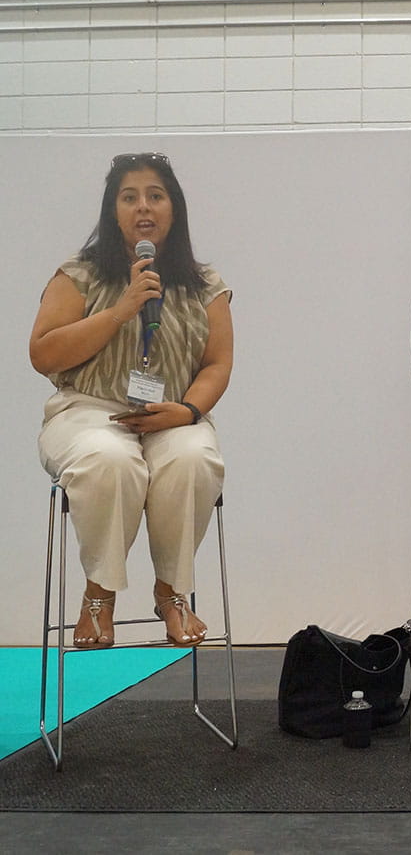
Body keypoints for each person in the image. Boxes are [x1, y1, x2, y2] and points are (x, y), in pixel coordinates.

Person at [30, 152, 233, 649]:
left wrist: (187, 411)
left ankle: (171, 591)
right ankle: (99, 595)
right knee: (110, 459)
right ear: (113, 210)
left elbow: (216, 364)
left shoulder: (205, 284)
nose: (143, 207)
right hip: (88, 410)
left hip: (173, 414)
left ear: (174, 208)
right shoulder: (78, 274)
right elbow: (43, 353)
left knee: (194, 459)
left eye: (155, 196)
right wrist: (121, 309)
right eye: (129, 197)